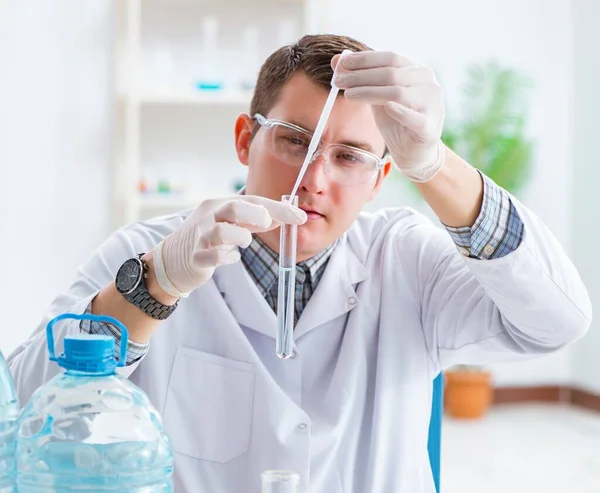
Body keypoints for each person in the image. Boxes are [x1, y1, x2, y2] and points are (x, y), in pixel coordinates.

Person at [8, 34, 591, 493]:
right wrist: (155, 286)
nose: (314, 179)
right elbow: (28, 414)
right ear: (244, 140)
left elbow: (556, 321)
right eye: (293, 141)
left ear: (383, 177)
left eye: (349, 156)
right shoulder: (150, 255)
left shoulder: (406, 259)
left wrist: (436, 166)